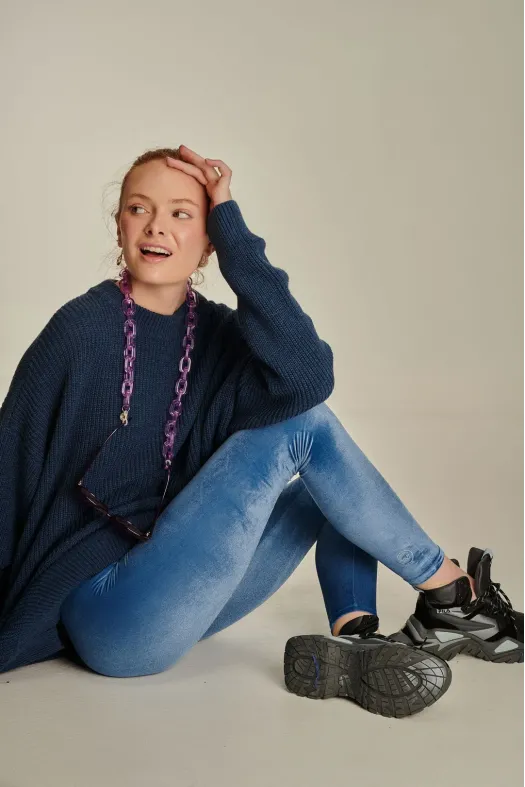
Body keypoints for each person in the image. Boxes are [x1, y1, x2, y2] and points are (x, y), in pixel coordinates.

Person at [0, 146, 521, 720]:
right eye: (138, 209)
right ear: (120, 224)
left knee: (328, 484)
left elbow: (308, 376)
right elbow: (10, 465)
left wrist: (235, 233)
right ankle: (451, 594)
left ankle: (355, 635)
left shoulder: (219, 334)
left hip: (179, 588)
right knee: (307, 429)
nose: (156, 227)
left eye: (182, 213)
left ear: (210, 240)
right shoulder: (79, 329)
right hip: (104, 611)